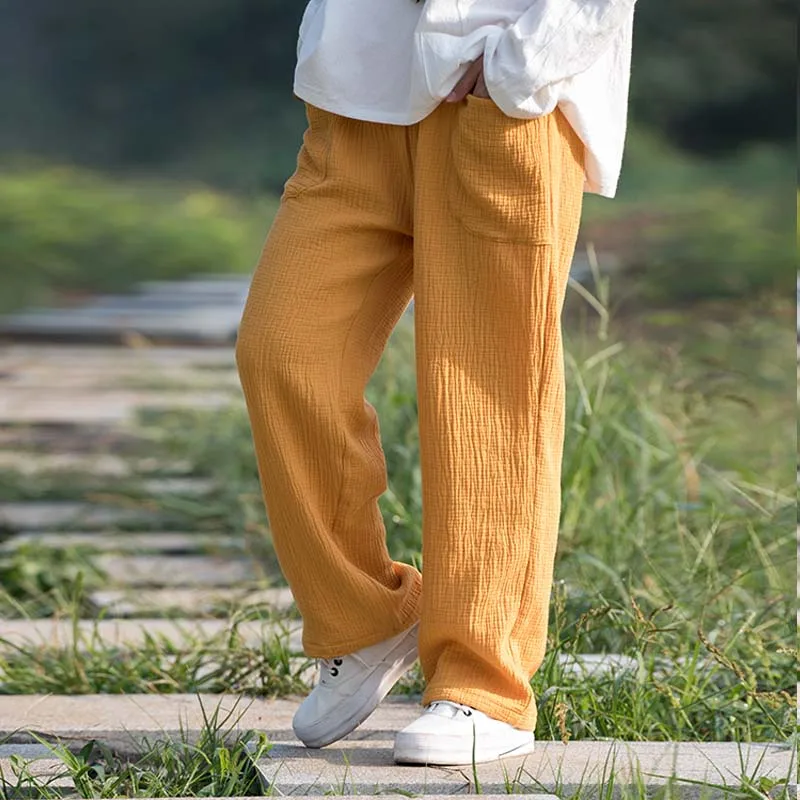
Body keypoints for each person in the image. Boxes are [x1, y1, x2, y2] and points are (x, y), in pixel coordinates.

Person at [236, 0, 637, 767]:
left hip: (497, 88)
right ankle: (365, 617)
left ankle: (485, 683)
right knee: (282, 354)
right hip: (357, 96)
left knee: (486, 397)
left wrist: (528, 59)